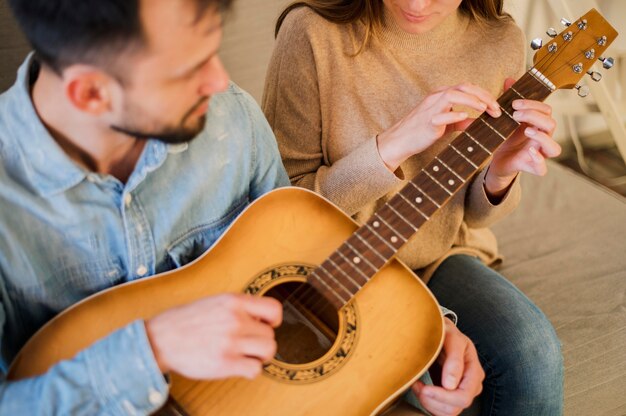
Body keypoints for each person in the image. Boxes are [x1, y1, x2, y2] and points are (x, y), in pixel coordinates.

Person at [0, 0, 482, 414]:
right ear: (90, 92)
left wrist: (422, 333)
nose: (220, 82)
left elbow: (301, 258)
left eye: (215, 50)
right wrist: (152, 348)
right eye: (190, 68)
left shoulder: (232, 121)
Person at [263, 0, 564, 415]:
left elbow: (473, 216)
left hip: (435, 258)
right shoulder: (311, 33)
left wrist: (500, 174)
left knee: (534, 354)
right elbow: (280, 207)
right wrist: (395, 143)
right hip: (325, 264)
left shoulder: (499, 41)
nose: (417, 3)